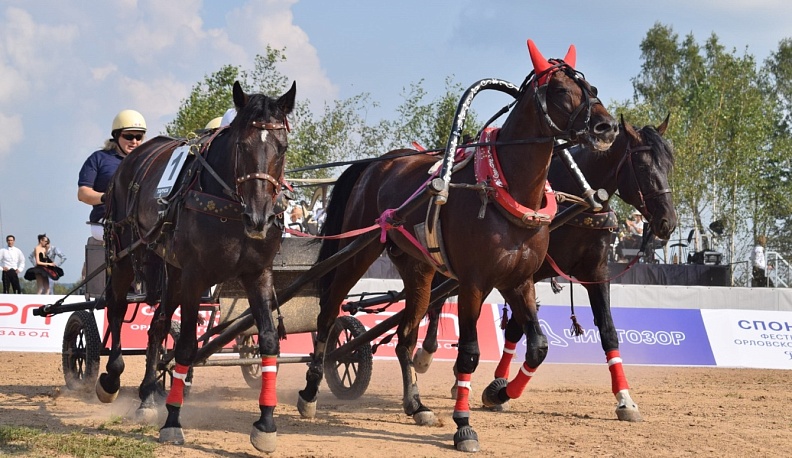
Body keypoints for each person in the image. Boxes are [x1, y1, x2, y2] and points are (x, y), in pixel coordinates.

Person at [78, 109, 147, 241]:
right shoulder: (98, 158)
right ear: (116, 136)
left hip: (141, 219)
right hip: (105, 220)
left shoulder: (147, 161)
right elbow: (83, 194)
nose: (134, 141)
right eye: (128, 136)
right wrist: (107, 198)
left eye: (138, 137)